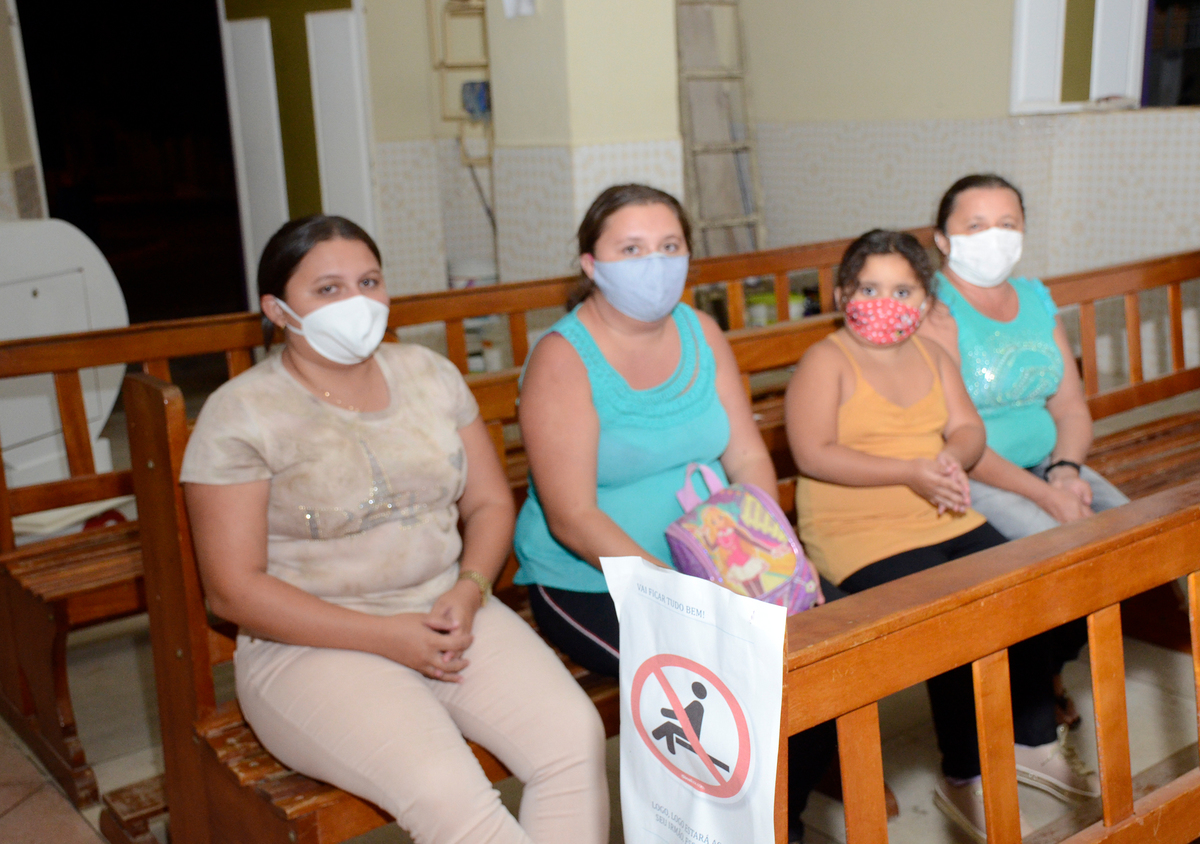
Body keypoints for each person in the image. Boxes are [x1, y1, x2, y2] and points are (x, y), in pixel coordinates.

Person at [180, 215, 609, 844]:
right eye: (327, 289)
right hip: (309, 644)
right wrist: (387, 637)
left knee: (573, 741)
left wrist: (469, 589)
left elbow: (490, 503)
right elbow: (232, 591)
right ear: (277, 309)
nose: (355, 302)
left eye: (368, 281)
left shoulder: (428, 375)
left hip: (446, 611)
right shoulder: (241, 413)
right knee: (448, 793)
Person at [512, 183, 832, 843]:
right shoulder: (564, 358)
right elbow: (572, 514)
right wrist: (677, 593)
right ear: (591, 264)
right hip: (593, 578)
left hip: (717, 555)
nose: (654, 264)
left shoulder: (700, 331)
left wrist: (770, 557)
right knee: (714, 687)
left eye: (669, 246)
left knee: (812, 648)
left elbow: (747, 454)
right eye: (631, 249)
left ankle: (786, 819)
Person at [785, 229, 1097, 842]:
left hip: (945, 512)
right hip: (860, 531)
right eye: (869, 289)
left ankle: (1033, 740)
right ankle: (965, 775)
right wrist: (909, 471)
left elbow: (968, 429)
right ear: (842, 294)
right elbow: (813, 452)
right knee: (956, 616)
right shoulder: (828, 360)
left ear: (925, 301)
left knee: (1028, 586)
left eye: (903, 291)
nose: (886, 303)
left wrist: (951, 456)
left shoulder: (931, 355)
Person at [919, 173, 1130, 727]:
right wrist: (1046, 496)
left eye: (1007, 223)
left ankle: (1050, 669)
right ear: (942, 239)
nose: (994, 236)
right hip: (977, 472)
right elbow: (950, 432)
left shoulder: (1034, 296)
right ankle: (1029, 696)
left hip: (1050, 461)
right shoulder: (934, 306)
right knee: (1063, 553)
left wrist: (1065, 470)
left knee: (1131, 538)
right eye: (976, 225)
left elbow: (1070, 404)